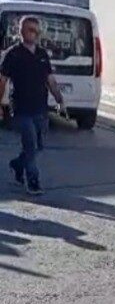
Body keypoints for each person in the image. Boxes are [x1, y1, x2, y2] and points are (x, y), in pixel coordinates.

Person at [0, 15, 67, 195]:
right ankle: (33, 181)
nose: (35, 34)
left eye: (37, 31)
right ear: (21, 31)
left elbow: (50, 80)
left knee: (37, 146)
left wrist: (60, 100)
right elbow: (2, 81)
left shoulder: (42, 55)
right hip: (21, 108)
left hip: (40, 108)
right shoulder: (13, 54)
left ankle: (17, 164)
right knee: (30, 145)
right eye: (31, 30)